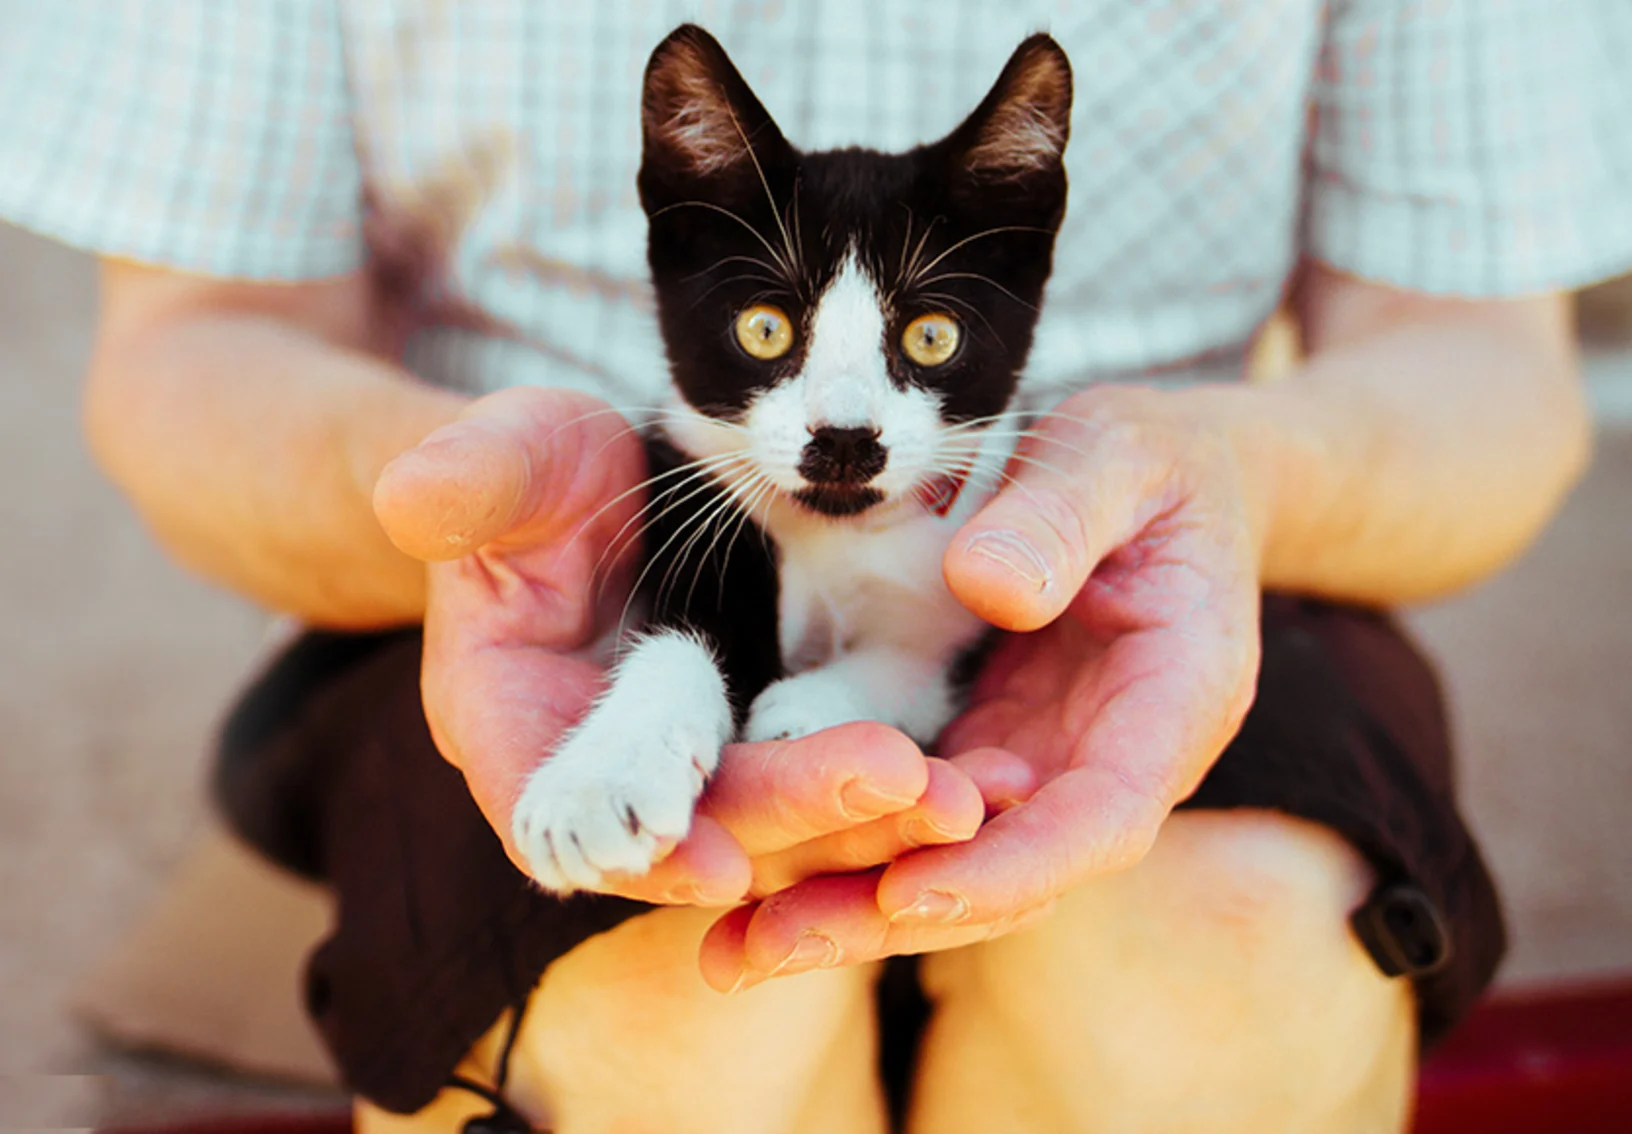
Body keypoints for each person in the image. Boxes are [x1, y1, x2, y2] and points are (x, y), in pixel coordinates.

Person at [4, 2, 1628, 1131]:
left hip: (1156, 545)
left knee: (1229, 961)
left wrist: (1230, 473)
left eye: (923, 339)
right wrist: (464, 499)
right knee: (650, 1006)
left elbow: (1479, 373)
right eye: (774, 335)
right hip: (535, 550)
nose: (843, 423)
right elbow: (197, 352)